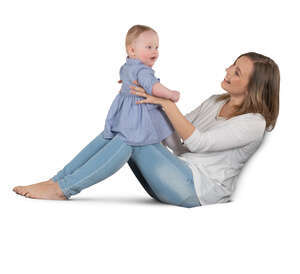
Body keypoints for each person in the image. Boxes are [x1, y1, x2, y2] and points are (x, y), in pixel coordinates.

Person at [12, 52, 280, 208]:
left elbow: (197, 143)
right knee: (126, 128)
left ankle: (63, 189)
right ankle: (57, 180)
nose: (227, 71)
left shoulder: (254, 124)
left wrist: (165, 102)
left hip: (196, 190)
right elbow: (176, 143)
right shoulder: (215, 101)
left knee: (134, 138)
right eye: (232, 66)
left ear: (254, 86)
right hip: (174, 174)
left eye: (237, 72)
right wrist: (143, 98)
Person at [103, 24, 180, 145]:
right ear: (132, 51)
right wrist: (171, 94)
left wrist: (125, 83)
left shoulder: (125, 67)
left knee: (148, 137)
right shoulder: (143, 71)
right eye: (149, 47)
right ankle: (178, 149)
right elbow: (155, 88)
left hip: (128, 115)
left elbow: (125, 79)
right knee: (166, 128)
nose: (154, 51)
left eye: (156, 47)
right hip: (145, 111)